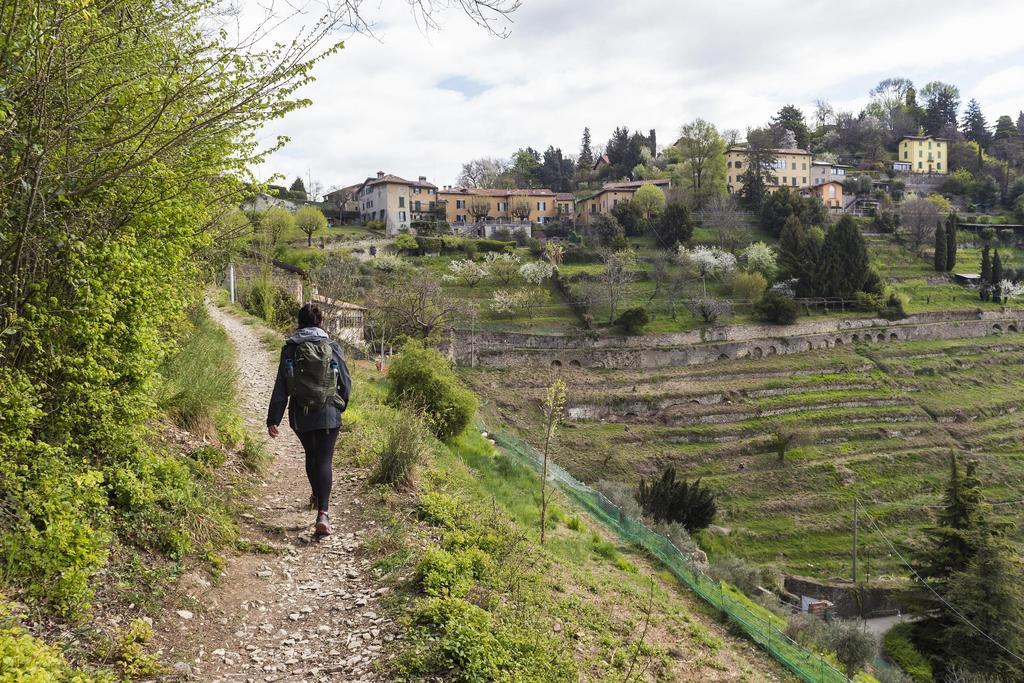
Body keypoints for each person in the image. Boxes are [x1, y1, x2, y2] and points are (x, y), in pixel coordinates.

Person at [267, 303, 351, 537]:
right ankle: (323, 512)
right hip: (328, 413)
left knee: (312, 456)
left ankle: (316, 495)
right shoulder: (332, 346)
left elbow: (281, 386)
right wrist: (340, 405)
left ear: (299, 322)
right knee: (325, 460)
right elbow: (345, 381)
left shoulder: (290, 348)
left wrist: (273, 418)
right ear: (321, 322)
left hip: (300, 413)